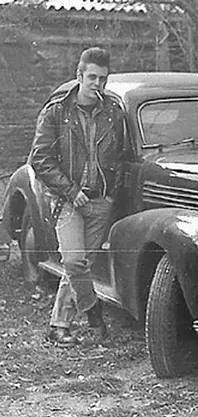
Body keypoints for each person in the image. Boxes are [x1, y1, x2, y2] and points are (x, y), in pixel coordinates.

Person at [28, 47, 126, 346]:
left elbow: (121, 156)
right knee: (73, 262)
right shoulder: (57, 110)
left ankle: (59, 326)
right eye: (92, 77)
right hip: (68, 201)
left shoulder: (114, 111)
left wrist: (110, 196)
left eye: (103, 79)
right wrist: (71, 192)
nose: (97, 84)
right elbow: (40, 158)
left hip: (100, 201)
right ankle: (94, 311)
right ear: (79, 76)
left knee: (81, 265)